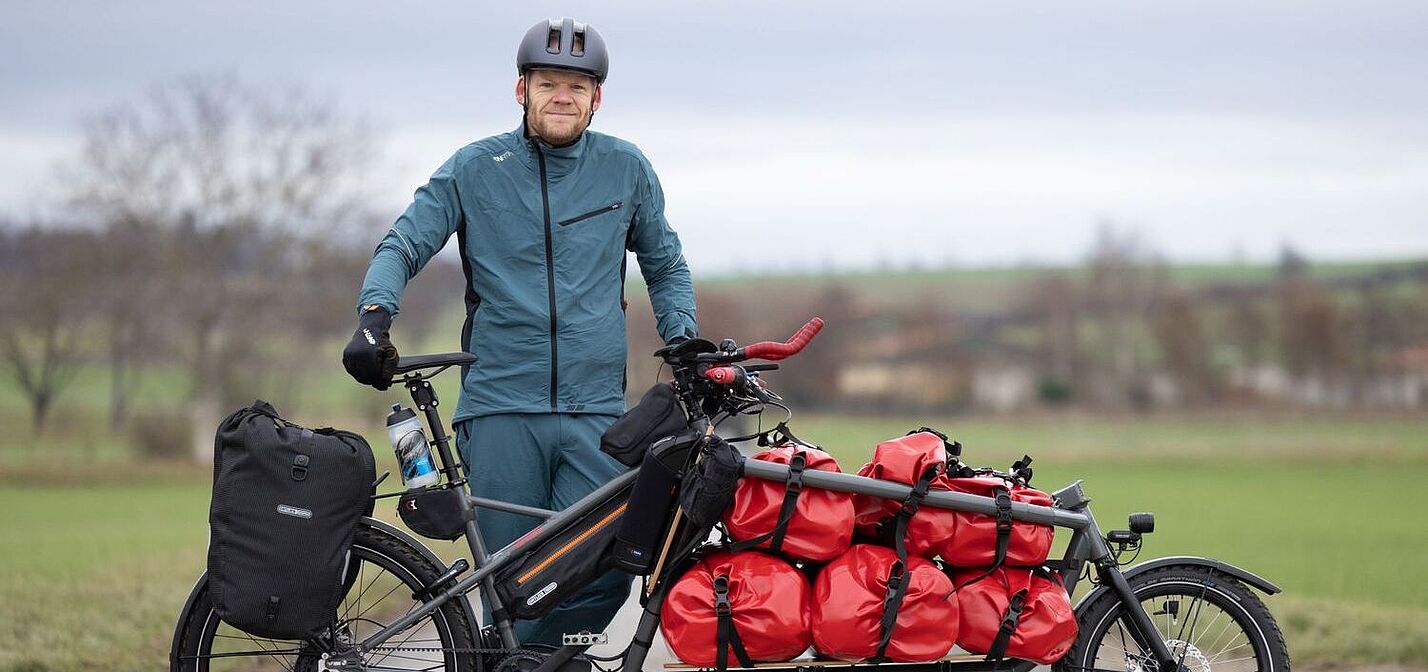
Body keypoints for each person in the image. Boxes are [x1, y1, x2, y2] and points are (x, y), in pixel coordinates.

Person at [341, 17, 697, 646]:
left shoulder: (626, 168)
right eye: (549, 82)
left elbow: (665, 264)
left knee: (608, 569)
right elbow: (404, 243)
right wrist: (375, 316)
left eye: (577, 86)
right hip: (502, 406)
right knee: (512, 587)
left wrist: (684, 340)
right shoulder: (475, 169)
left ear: (597, 98)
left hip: (596, 414)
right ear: (521, 90)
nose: (563, 95)